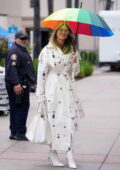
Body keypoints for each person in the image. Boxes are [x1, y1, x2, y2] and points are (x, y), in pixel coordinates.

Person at [36, 22, 84, 169]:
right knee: (54, 122)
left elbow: (75, 72)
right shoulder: (47, 50)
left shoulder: (73, 50)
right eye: (60, 30)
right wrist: (40, 94)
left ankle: (70, 154)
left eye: (66, 31)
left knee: (71, 120)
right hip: (52, 89)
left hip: (67, 89)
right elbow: (42, 72)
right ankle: (53, 152)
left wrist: (75, 62)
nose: (63, 33)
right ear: (56, 32)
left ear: (69, 33)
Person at [5, 31, 36, 141]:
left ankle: (14, 132)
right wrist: (16, 83)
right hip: (18, 84)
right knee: (21, 108)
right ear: (16, 39)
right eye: (21, 38)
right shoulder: (15, 51)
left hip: (20, 83)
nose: (24, 40)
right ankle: (20, 133)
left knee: (15, 108)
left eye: (25, 38)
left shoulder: (21, 50)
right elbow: (12, 68)